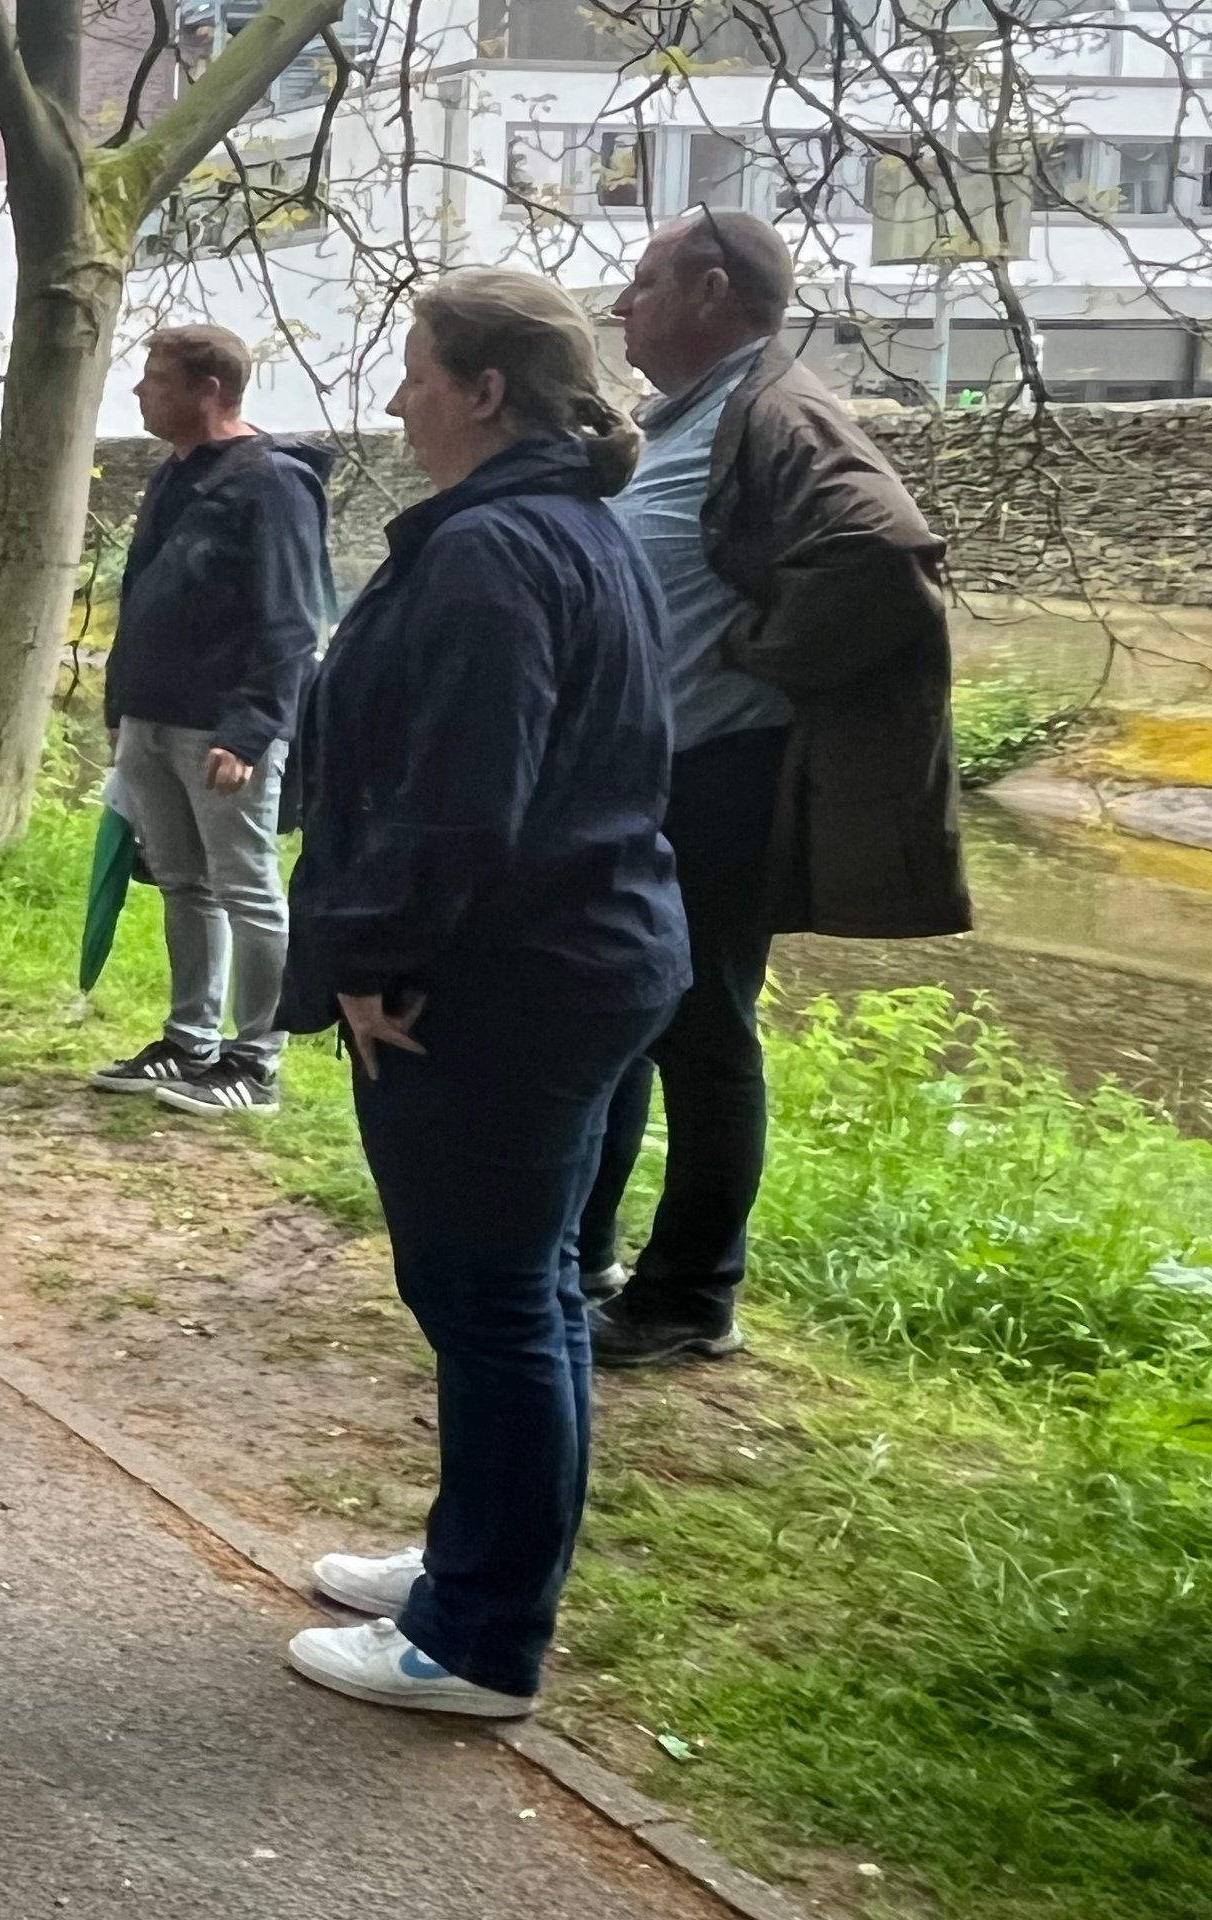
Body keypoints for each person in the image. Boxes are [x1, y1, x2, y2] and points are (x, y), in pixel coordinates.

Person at [281, 267, 685, 1719]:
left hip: (504, 985)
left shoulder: (493, 552)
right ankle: (472, 1565)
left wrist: (371, 965)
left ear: (485, 389)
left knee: (493, 1297)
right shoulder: (571, 527)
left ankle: (478, 1639)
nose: (399, 401)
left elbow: (459, 800)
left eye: (416, 371)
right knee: (530, 1293)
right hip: (591, 961)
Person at [580, 208, 972, 1367]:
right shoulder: (701, 414)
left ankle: (688, 1299)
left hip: (720, 783)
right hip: (658, 779)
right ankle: (587, 1258)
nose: (621, 307)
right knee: (626, 1014)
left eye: (643, 283)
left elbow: (885, 555)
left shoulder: (780, 412)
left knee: (702, 1035)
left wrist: (759, 651)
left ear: (711, 290)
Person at [85, 326, 335, 1119]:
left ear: (209, 390)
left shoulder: (273, 482)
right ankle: (190, 1041)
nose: (139, 391)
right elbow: (140, 595)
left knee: (247, 887)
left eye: (156, 378)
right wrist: (120, 705)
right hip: (152, 717)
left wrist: (251, 728)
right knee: (182, 883)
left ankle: (256, 1062)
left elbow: (290, 618)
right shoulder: (174, 472)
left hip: (221, 727)